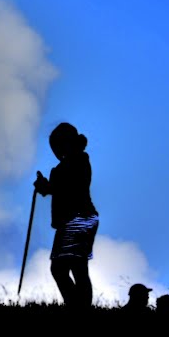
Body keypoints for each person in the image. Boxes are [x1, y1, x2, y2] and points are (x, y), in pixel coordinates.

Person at [34, 122, 99, 310]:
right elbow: (59, 188)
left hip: (76, 218)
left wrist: (45, 186)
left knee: (64, 268)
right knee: (75, 267)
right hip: (80, 218)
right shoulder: (74, 161)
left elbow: (65, 188)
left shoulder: (76, 161)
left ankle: (77, 307)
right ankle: (78, 306)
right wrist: (45, 186)